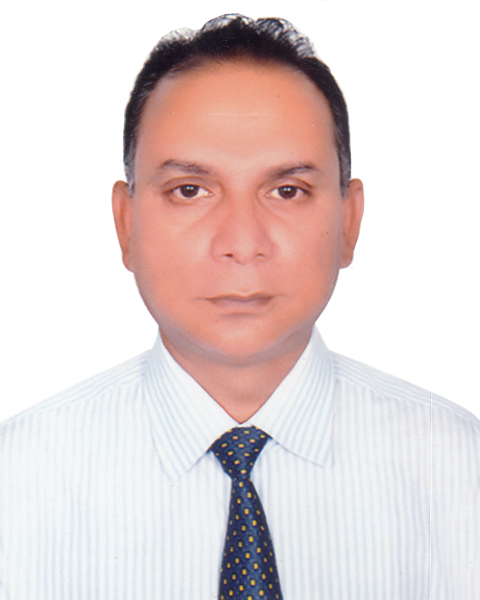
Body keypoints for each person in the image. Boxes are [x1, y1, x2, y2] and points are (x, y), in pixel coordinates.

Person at [0, 14, 478, 600]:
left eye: (287, 191)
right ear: (125, 224)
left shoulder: (460, 467)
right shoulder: (17, 479)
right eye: (190, 191)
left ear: (349, 221)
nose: (242, 243)